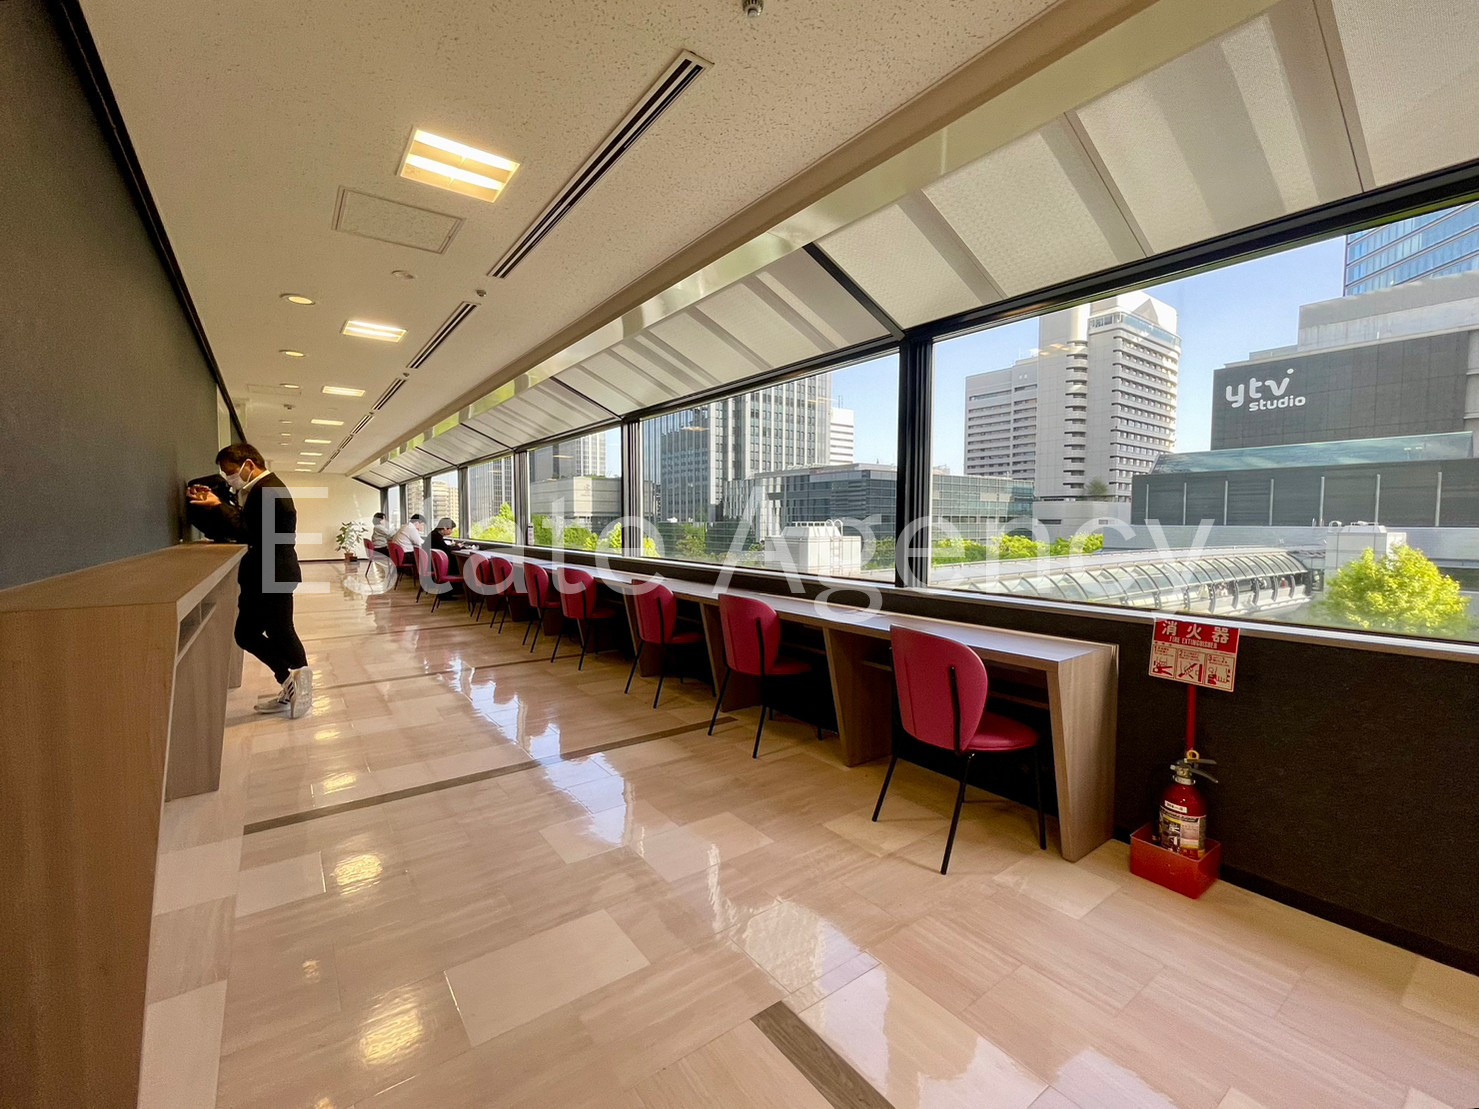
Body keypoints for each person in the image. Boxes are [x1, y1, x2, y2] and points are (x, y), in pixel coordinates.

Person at [187, 444, 311, 718]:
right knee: (253, 633)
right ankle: (290, 683)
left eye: (230, 472)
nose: (229, 478)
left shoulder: (268, 490)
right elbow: (249, 525)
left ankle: (299, 688)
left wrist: (217, 505)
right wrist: (219, 504)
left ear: (249, 464)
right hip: (267, 572)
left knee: (276, 632)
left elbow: (248, 531)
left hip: (273, 572)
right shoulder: (261, 489)